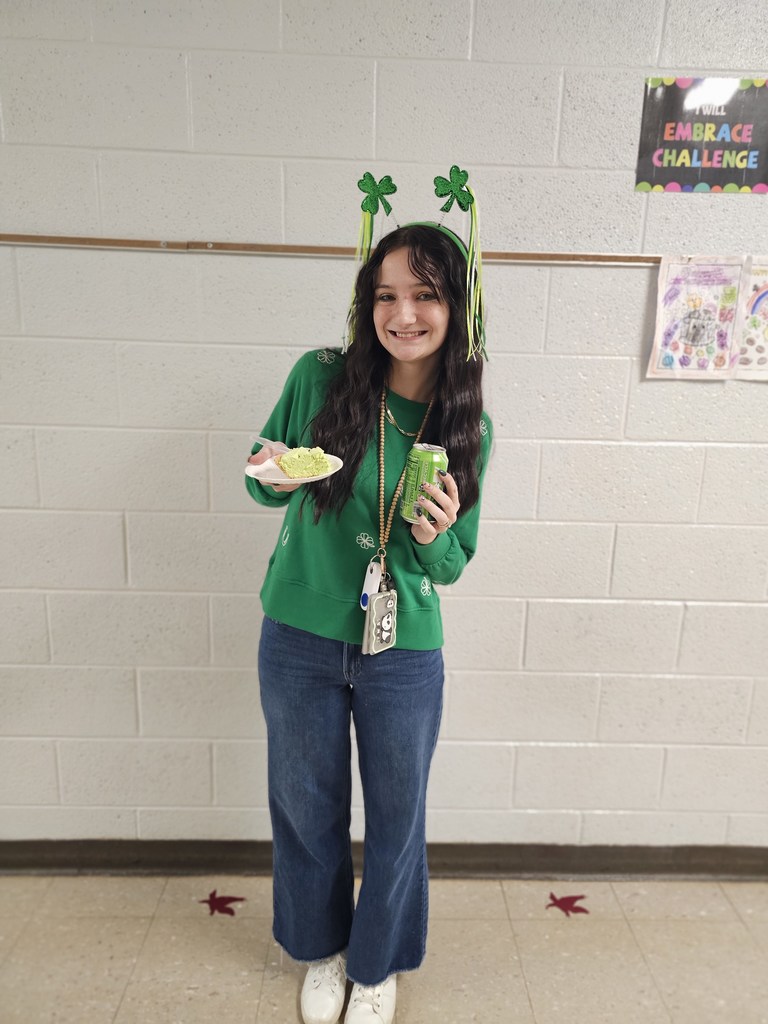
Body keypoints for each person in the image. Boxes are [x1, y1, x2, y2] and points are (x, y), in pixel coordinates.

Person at [245, 173, 492, 1024]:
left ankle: (377, 962)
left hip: (404, 648)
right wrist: (278, 470)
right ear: (367, 302)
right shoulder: (319, 379)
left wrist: (432, 533)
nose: (404, 314)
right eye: (386, 295)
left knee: (397, 814)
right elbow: (262, 484)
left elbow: (454, 563)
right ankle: (320, 952)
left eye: (424, 295)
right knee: (307, 805)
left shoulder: (467, 425)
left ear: (456, 307)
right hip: (301, 633)